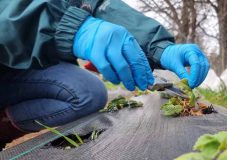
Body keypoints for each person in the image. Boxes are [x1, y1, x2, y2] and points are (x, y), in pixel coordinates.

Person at [0, 0, 209, 148]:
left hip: (21, 65)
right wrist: (67, 26)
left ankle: (4, 128)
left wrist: (158, 46)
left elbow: (102, 5)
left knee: (87, 91)